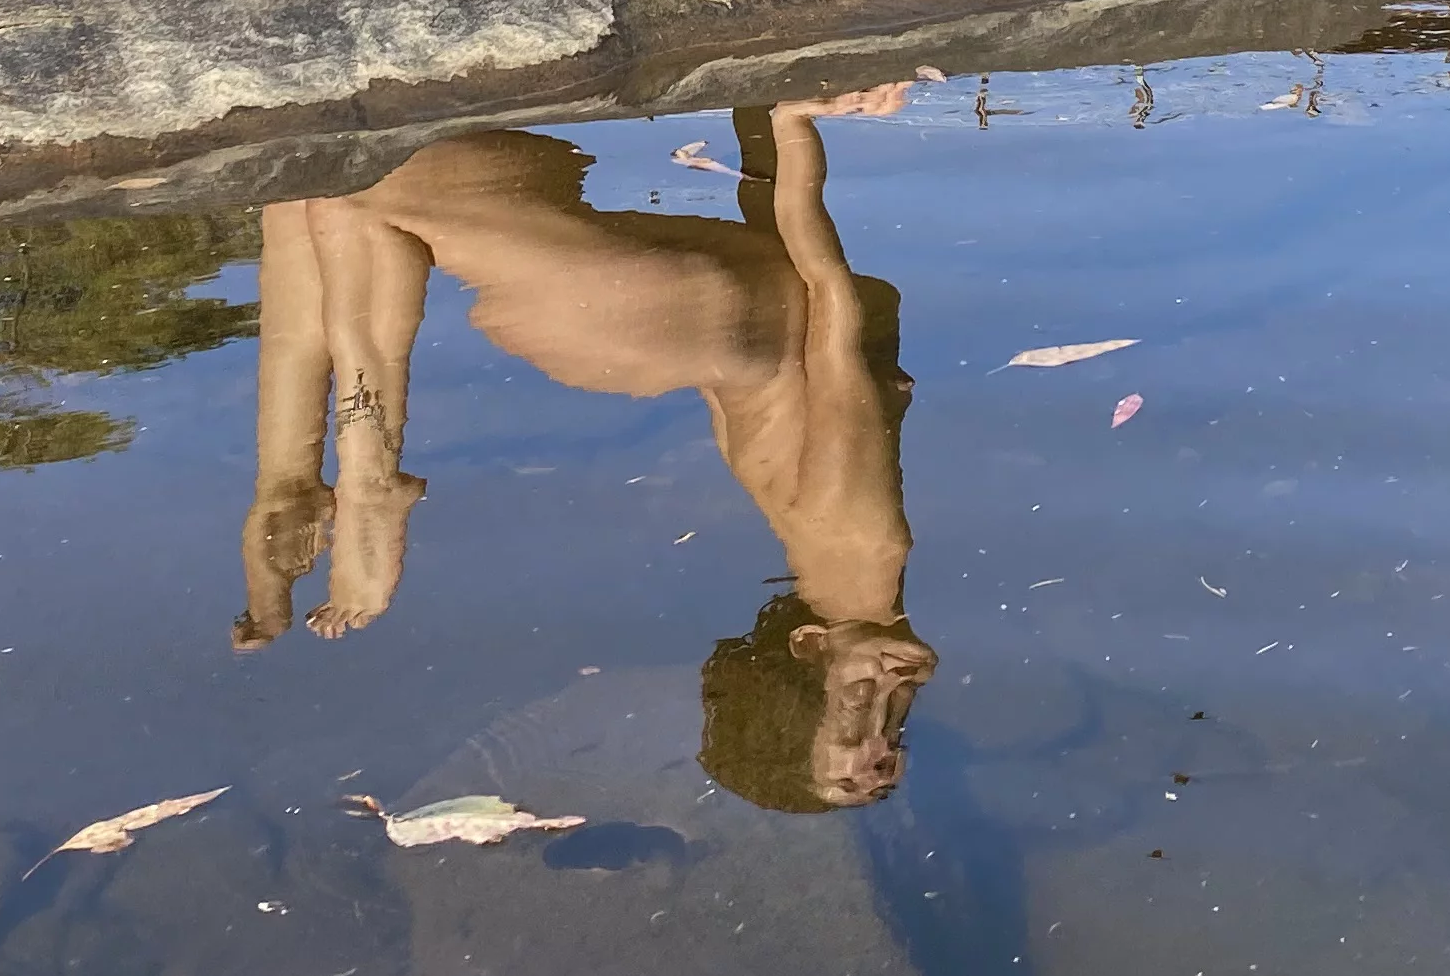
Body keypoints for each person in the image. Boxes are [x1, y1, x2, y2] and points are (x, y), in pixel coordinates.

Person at [232, 94, 939, 810]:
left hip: (643, 311)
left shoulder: (868, 546)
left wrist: (790, 122)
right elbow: (804, 288)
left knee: (353, 206)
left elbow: (833, 308)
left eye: (859, 705)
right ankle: (287, 470)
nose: (893, 693)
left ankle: (367, 475)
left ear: (809, 647)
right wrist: (766, 113)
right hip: (640, 319)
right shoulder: (834, 559)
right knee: (316, 197)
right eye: (893, 727)